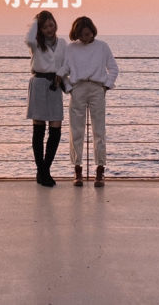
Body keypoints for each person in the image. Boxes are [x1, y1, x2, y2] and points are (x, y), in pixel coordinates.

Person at [58, 16, 118, 187]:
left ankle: (100, 171)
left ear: (93, 31)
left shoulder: (102, 47)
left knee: (99, 131)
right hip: (78, 89)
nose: (86, 38)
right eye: (82, 35)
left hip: (97, 88)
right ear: (76, 34)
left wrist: (105, 86)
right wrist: (69, 88)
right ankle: (77, 170)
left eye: (88, 34)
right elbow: (63, 70)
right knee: (76, 131)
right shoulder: (71, 48)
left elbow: (113, 68)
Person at [24, 10, 66, 186]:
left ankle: (44, 170)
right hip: (39, 83)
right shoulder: (35, 43)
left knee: (56, 128)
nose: (50, 29)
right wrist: (37, 18)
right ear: (39, 29)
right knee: (38, 129)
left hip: (55, 84)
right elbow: (28, 37)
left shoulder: (63, 42)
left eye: (51, 24)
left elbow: (66, 63)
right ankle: (42, 172)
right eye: (45, 26)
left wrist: (62, 73)